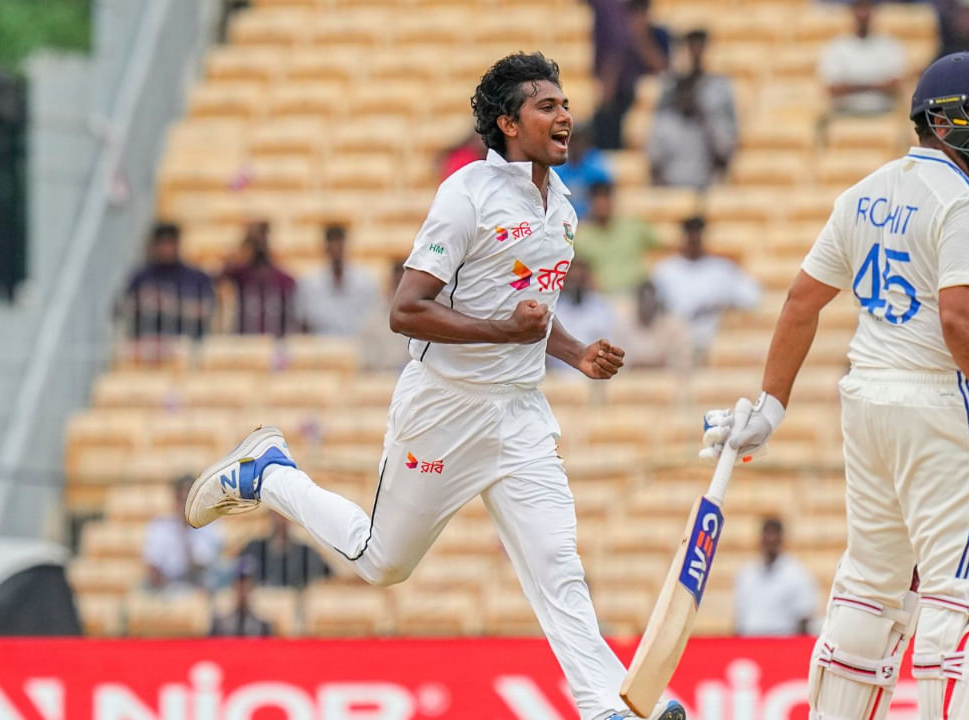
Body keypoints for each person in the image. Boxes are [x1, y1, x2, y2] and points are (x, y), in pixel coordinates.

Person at [183, 52, 684, 720]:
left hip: (519, 414)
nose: (566, 116)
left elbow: (528, 307)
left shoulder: (562, 207)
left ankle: (606, 707)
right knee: (381, 562)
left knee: (556, 562)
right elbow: (406, 310)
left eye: (565, 104)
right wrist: (509, 333)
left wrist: (573, 350)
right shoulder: (466, 194)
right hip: (444, 408)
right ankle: (270, 473)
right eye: (548, 106)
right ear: (508, 123)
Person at [701, 52, 969, 719]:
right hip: (938, 408)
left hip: (866, 402)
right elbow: (959, 320)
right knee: (959, 594)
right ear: (941, 120)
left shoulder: (862, 193)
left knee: (871, 586)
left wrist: (771, 408)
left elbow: (801, 300)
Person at [650, 216, 761, 358]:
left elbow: (752, 296)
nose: (694, 239)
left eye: (698, 234)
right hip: (675, 341)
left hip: (715, 341)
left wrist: (723, 304)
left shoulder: (720, 269)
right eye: (691, 234)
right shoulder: (665, 271)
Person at [587, 0, 670, 150]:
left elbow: (662, 67)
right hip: (620, 97)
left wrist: (640, 39)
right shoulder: (615, 38)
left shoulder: (660, 34)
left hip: (649, 100)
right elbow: (609, 69)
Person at [120, 222, 216, 339]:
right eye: (162, 243)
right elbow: (122, 307)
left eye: (169, 243)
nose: (166, 249)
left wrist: (172, 305)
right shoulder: (141, 276)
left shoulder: (196, 277)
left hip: (186, 343)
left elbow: (207, 310)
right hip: (147, 344)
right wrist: (145, 302)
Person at [818, 0, 908, 116]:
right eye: (859, 8)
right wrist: (875, 85)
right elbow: (833, 89)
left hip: (883, 111)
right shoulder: (837, 47)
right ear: (852, 12)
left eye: (867, 8)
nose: (863, 14)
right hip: (844, 113)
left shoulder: (890, 46)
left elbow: (896, 84)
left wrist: (853, 86)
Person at [647, 74, 736, 188]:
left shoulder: (709, 124)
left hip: (703, 189)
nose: (687, 96)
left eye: (691, 91)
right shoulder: (665, 124)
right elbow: (655, 162)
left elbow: (723, 153)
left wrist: (705, 121)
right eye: (683, 91)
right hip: (671, 189)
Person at [734, 517, 819, 636]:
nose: (770, 539)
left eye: (774, 534)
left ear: (781, 539)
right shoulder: (747, 573)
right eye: (767, 534)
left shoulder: (797, 573)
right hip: (750, 641)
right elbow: (740, 618)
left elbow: (804, 618)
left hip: (782, 643)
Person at [572, 181, 660, 296]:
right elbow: (577, 271)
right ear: (591, 204)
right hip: (602, 298)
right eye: (598, 200)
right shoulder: (581, 236)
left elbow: (665, 246)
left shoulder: (634, 225)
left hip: (638, 293)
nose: (603, 205)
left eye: (606, 199)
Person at [143, 475, 224, 593]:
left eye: (190, 501)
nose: (185, 506)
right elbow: (153, 568)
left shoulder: (209, 527)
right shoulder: (160, 528)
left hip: (200, 585)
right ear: (176, 501)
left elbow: (209, 565)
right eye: (182, 500)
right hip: (168, 587)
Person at [296, 224, 380, 336]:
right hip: (321, 346)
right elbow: (303, 323)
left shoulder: (365, 282)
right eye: (332, 244)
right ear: (326, 248)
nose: (336, 249)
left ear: (345, 246)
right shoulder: (309, 283)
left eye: (339, 244)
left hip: (357, 345)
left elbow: (374, 320)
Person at [220, 221, 297, 336]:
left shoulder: (283, 279)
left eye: (262, 240)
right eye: (256, 242)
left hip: (275, 338)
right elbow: (221, 274)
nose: (260, 245)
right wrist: (243, 246)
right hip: (245, 339)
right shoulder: (241, 273)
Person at [550, 261, 617, 373]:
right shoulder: (554, 307)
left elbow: (608, 344)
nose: (576, 285)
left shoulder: (601, 306)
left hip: (593, 374)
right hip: (558, 376)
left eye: (579, 280)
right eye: (572, 280)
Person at [613, 280, 694, 371]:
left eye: (650, 300)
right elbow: (617, 362)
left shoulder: (674, 326)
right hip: (631, 381)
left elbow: (683, 361)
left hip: (666, 381)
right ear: (638, 302)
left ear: (657, 301)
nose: (647, 305)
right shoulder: (623, 326)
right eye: (644, 300)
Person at [239, 512, 334, 589]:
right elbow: (238, 577)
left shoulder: (306, 553)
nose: (282, 520)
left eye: (286, 515)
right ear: (270, 516)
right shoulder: (254, 548)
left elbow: (328, 578)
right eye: (278, 515)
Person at [557, 124, 614, 218]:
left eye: (579, 139)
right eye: (572, 140)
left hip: (592, 222)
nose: (575, 144)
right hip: (562, 220)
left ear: (586, 141)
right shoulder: (556, 165)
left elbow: (604, 197)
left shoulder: (597, 164)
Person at [209, 558, 274, 637]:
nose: (243, 588)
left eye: (246, 584)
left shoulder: (263, 625)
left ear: (252, 587)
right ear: (233, 586)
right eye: (240, 584)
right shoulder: (219, 624)